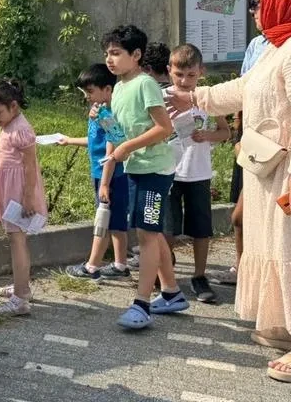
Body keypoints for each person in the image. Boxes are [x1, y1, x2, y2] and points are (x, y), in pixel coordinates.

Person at [166, 0, 291, 383]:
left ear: (286, 2)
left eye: (257, 2)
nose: (253, 10)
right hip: (277, 170)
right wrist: (195, 97)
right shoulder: (281, 46)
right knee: (280, 246)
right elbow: (243, 89)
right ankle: (289, 325)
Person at [101, 25, 182, 330]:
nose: (110, 59)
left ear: (136, 55)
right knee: (152, 232)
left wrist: (127, 147)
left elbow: (164, 128)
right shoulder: (119, 87)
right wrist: (104, 121)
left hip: (155, 171)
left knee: (147, 234)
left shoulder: (145, 84)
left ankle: (142, 303)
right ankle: (171, 292)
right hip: (137, 169)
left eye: (116, 53)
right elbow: (120, 135)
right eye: (107, 53)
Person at [166, 44, 231, 304]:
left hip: (199, 172)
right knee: (167, 227)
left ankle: (199, 275)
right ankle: (165, 271)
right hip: (169, 171)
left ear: (201, 72)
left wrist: (207, 135)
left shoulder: (207, 98)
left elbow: (225, 132)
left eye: (191, 75)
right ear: (169, 70)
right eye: (179, 74)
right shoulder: (162, 97)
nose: (184, 81)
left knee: (201, 228)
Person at [0, 78, 47, 316]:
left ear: (14, 106)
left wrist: (28, 197)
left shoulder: (21, 129)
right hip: (11, 190)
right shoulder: (9, 125)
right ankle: (22, 287)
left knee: (17, 240)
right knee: (16, 239)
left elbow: (30, 166)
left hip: (18, 193)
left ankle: (20, 298)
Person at [212, 32, 269, 287]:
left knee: (277, 216)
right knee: (240, 216)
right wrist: (238, 133)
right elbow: (242, 89)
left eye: (257, 9)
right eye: (253, 10)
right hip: (253, 142)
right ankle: (243, 268)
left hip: (280, 146)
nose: (254, 13)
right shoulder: (257, 44)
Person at [66, 63, 132, 281]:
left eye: (90, 91)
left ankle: (92, 266)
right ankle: (120, 265)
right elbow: (95, 141)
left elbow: (111, 152)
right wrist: (68, 141)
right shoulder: (99, 112)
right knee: (117, 222)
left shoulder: (108, 115)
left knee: (103, 220)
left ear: (108, 89)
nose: (87, 96)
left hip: (110, 175)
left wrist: (104, 183)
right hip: (108, 174)